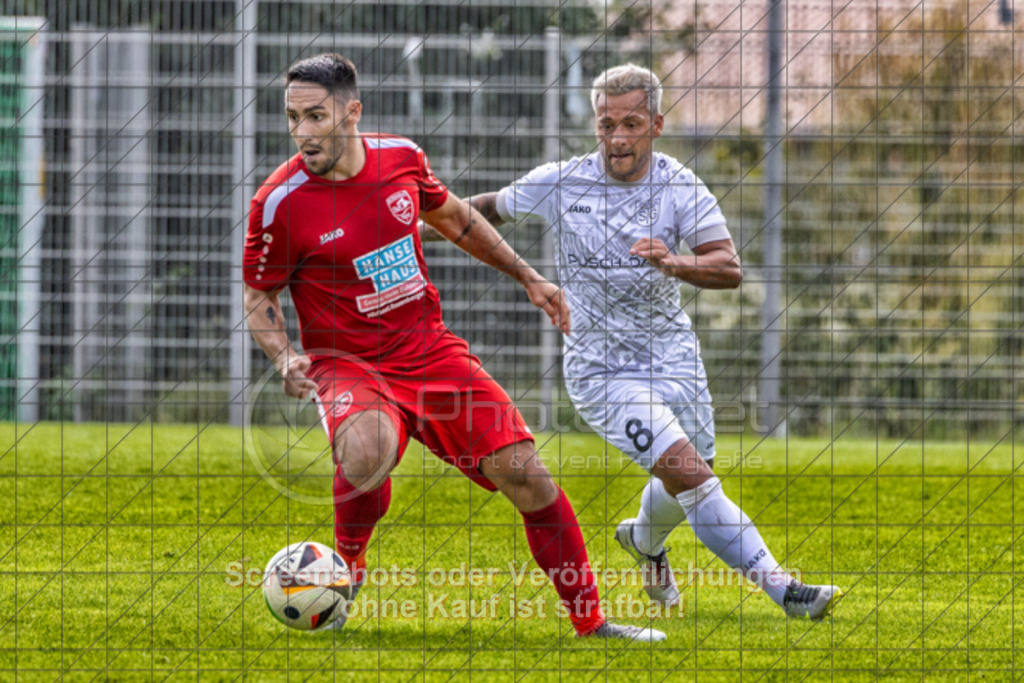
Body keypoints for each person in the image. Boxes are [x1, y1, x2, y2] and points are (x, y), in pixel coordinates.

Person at [241, 53, 664, 641]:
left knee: (528, 475)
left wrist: (529, 276)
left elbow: (459, 221)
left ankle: (592, 623)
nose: (302, 132)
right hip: (347, 364)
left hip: (429, 351)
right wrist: (284, 354)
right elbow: (259, 293)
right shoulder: (279, 201)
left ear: (352, 112)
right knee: (367, 452)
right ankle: (348, 565)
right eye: (293, 118)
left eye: (316, 116)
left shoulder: (401, 160)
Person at [458, 64, 843, 620]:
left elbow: (728, 268)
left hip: (674, 357)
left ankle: (643, 540)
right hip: (602, 373)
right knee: (692, 476)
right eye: (607, 124)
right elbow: (476, 210)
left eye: (631, 123)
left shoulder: (680, 186)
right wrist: (403, 218)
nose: (617, 138)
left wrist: (675, 261)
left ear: (656, 124)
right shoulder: (562, 181)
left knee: (693, 473)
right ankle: (786, 591)